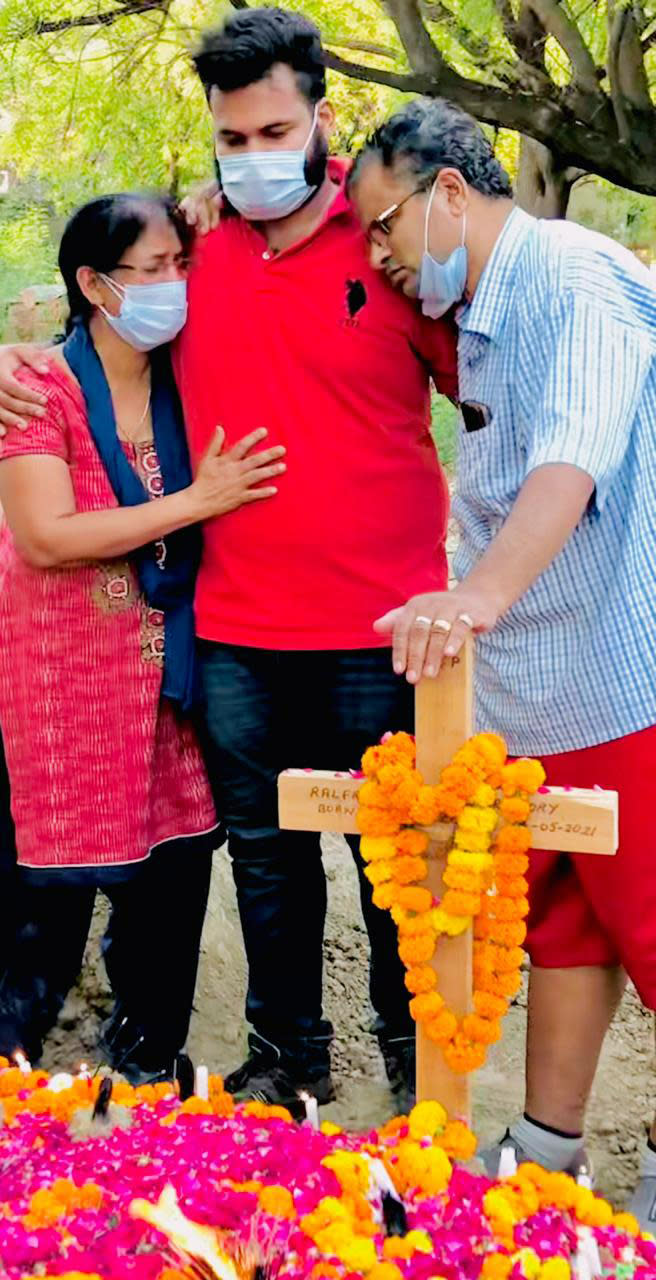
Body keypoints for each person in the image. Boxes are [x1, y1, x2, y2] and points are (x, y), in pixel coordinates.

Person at [0, 7, 458, 1115]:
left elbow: (488, 383)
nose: (251, 159)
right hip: (236, 627)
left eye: (273, 132)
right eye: (231, 140)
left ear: (320, 117)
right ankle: (288, 1050)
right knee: (267, 859)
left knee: (393, 860)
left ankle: (413, 1050)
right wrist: (2, 357)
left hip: (384, 625)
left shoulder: (392, 241)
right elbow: (89, 310)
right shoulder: (195, 256)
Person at [349, 96, 656, 1223]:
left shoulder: (579, 281)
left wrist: (469, 598)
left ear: (448, 193)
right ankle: (545, 1149)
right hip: (534, 687)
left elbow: (570, 463)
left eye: (384, 227)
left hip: (630, 670)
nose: (379, 257)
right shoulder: (476, 314)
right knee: (573, 919)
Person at [0, 191, 287, 1085]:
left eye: (178, 268)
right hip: (53, 671)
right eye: (150, 273)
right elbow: (46, 536)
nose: (172, 288)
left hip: (168, 671)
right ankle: (3, 1066)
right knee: (44, 877)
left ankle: (147, 1057)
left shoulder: (192, 370)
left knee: (175, 871)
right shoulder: (39, 385)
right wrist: (194, 502)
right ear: (95, 285)